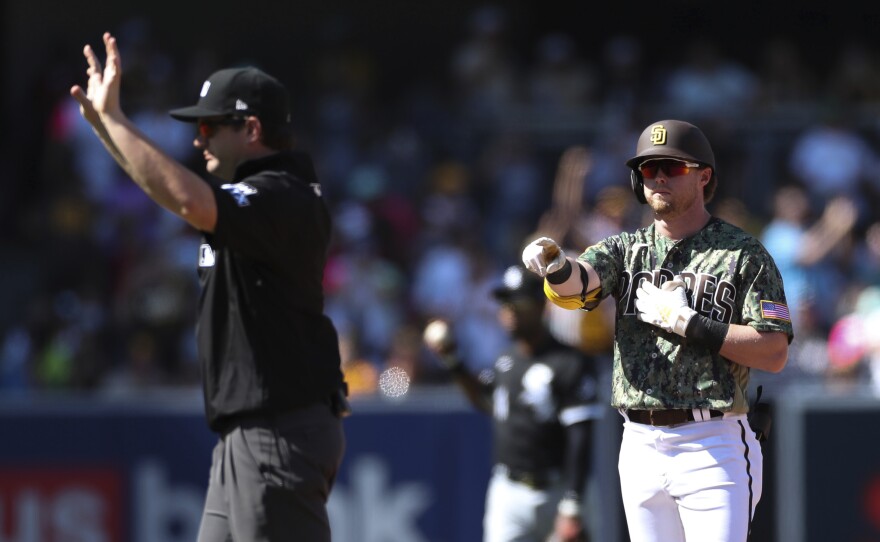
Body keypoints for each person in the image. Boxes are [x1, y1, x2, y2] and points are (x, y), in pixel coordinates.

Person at [70, 33, 348, 542]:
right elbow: (175, 193)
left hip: (276, 430)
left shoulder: (280, 195)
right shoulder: (255, 200)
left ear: (252, 128)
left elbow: (185, 199)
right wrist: (105, 126)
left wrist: (117, 122)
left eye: (209, 126)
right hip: (250, 433)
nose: (197, 139)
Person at [521, 119, 793, 542]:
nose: (659, 177)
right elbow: (581, 284)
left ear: (704, 176)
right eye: (649, 169)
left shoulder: (743, 253)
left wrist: (692, 324)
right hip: (640, 442)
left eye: (672, 167)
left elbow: (774, 351)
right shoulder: (626, 248)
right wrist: (556, 267)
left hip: (713, 440)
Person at [423, 264, 601, 542]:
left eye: (518, 301)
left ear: (541, 306)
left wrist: (573, 502)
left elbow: (581, 436)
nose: (509, 309)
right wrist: (454, 361)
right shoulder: (506, 360)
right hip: (509, 490)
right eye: (505, 302)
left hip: (558, 490)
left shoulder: (569, 362)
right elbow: (488, 401)